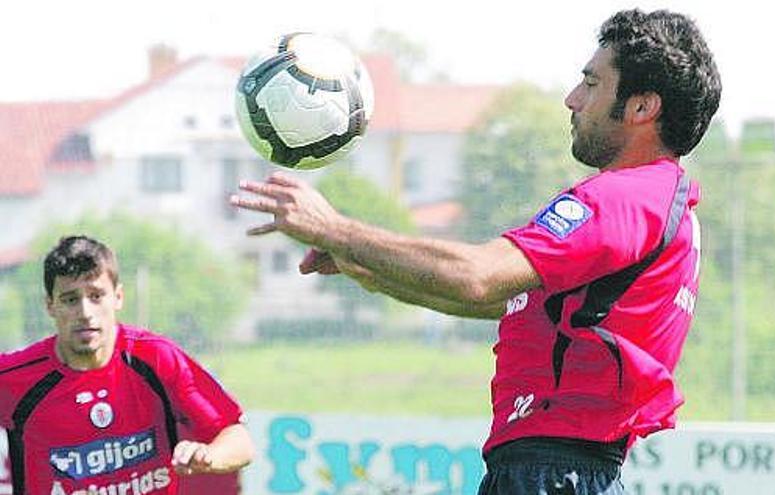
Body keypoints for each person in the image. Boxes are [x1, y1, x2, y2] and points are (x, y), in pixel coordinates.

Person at [231, 8, 720, 495]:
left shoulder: (624, 199)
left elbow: (479, 276)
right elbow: (496, 300)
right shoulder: (658, 200)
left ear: (641, 108)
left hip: (552, 473)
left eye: (592, 84)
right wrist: (371, 266)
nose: (573, 99)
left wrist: (336, 228)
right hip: (561, 471)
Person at [0, 236, 255, 495]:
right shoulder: (15, 378)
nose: (85, 312)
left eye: (96, 296)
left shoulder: (156, 358)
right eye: (70, 299)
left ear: (118, 297)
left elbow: (238, 440)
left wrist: (209, 455)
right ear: (50, 306)